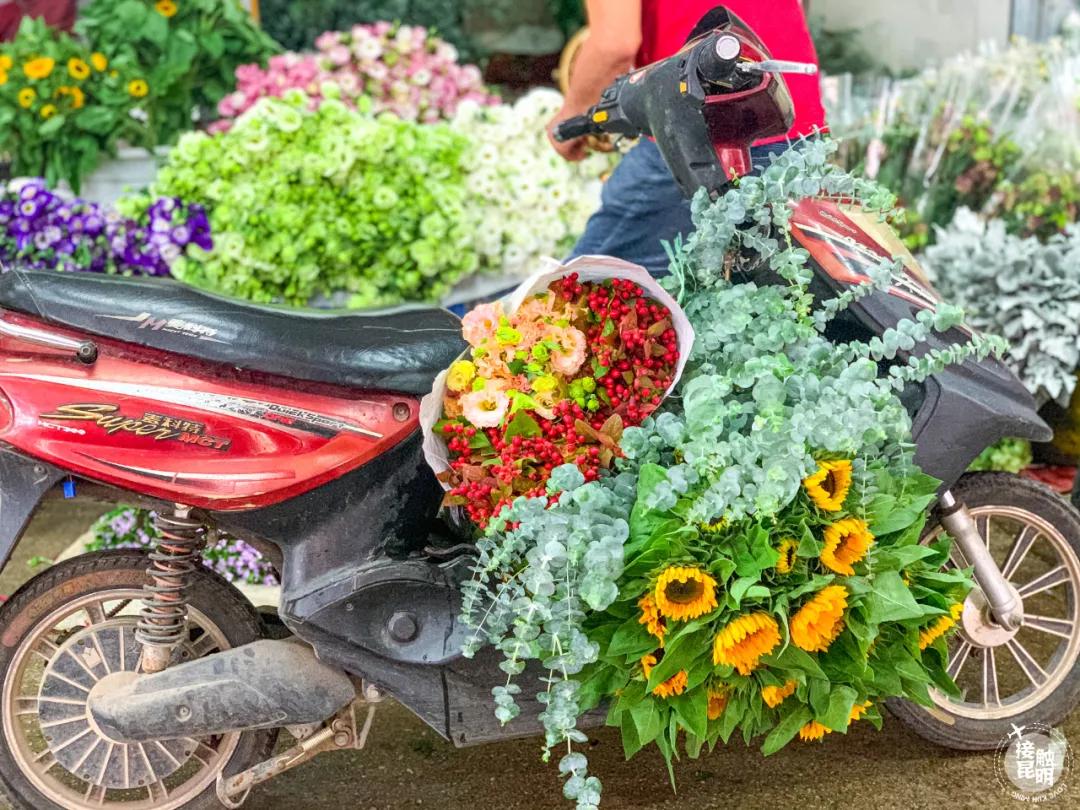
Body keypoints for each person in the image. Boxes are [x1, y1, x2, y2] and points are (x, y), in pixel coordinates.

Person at [549, 0, 826, 275]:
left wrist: (573, 112)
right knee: (774, 295)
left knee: (576, 290)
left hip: (692, 128)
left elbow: (614, 44)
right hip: (790, 113)